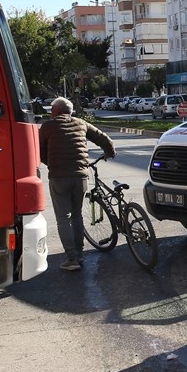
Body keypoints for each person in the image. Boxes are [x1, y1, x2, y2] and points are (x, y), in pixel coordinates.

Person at [39, 97, 116, 271]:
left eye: (52, 110)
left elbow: (40, 151)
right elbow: (104, 139)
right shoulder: (81, 123)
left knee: (63, 218)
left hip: (59, 177)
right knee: (77, 215)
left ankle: (72, 258)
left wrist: (51, 163)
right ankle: (80, 255)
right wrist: (109, 153)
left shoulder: (47, 127)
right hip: (80, 177)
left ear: (56, 111)